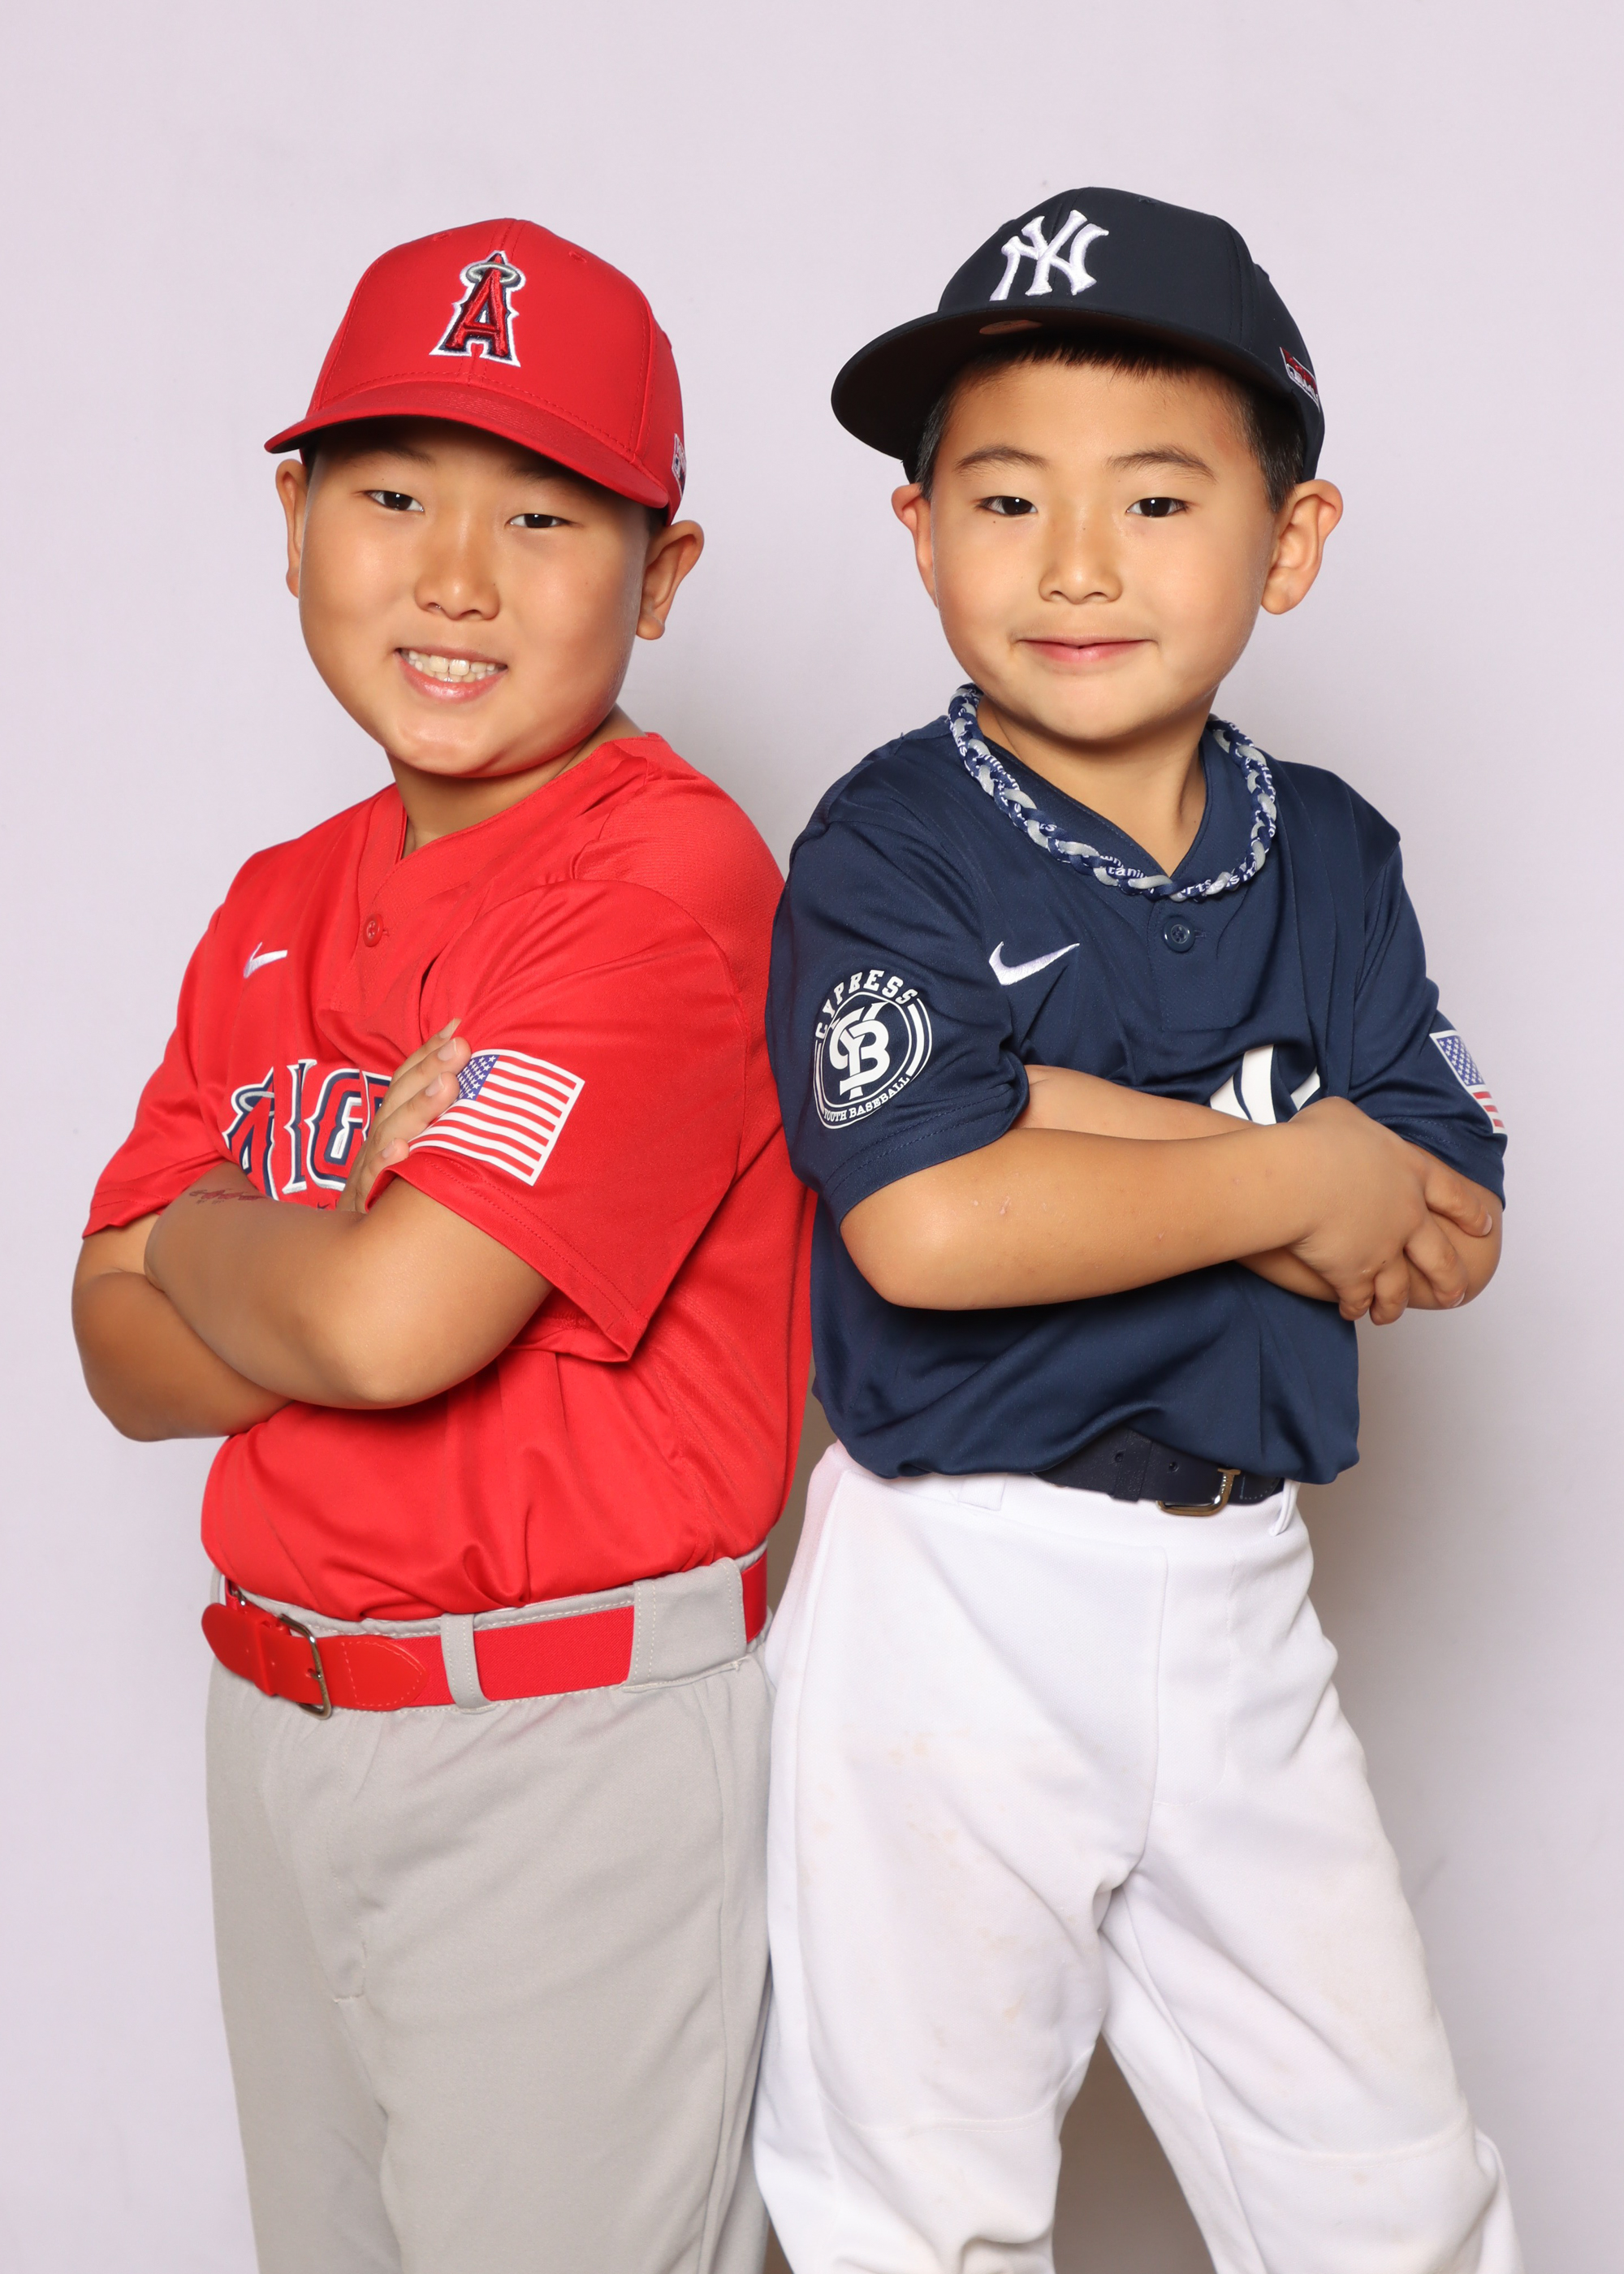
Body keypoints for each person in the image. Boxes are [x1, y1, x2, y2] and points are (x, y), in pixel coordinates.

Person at [756, 188, 1519, 2274]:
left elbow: (1442, 1219)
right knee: (915, 2208)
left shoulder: (1331, 853)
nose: (1076, 561)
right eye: (1005, 498)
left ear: (1289, 538)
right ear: (920, 535)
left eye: (1159, 498)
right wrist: (1289, 1163)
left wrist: (1055, 1103)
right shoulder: (886, 842)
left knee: (1391, 2190)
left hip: (1242, 1583)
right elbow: (930, 1222)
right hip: (955, 1588)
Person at [72, 218, 810, 2274]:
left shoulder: (659, 880)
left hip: (558, 1753)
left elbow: (393, 1325)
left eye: (543, 514)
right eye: (392, 494)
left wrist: (206, 1235)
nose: (456, 574)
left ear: (660, 574)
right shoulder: (276, 895)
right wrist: (299, 1233)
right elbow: (107, 1352)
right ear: (294, 521)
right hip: (278, 1723)